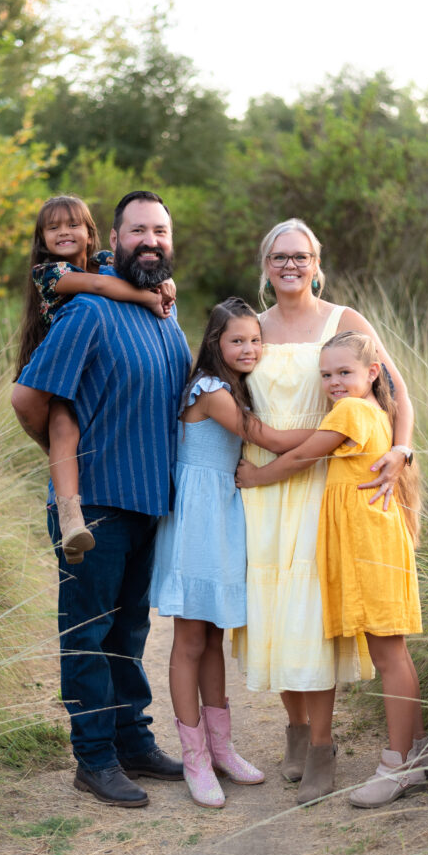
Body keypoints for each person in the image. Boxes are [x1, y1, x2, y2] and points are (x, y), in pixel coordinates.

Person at [11, 190, 192, 808]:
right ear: (112, 240)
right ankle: (94, 758)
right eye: (138, 230)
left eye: (161, 231)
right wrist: (64, 466)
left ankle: (132, 739)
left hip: (149, 501)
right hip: (95, 506)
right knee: (88, 634)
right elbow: (29, 397)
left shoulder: (166, 313)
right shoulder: (87, 308)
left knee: (131, 631)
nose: (151, 240)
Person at [230, 217, 414, 806]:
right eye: (279, 255)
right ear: (265, 264)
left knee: (309, 616)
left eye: (301, 255)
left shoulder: (345, 323)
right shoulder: (248, 328)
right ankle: (297, 730)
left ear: (316, 261)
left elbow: (398, 393)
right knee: (272, 612)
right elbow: (222, 394)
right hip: (264, 497)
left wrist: (402, 452)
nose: (290, 264)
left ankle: (324, 746)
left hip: (324, 486)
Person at [151, 297, 314, 808]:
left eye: (254, 340)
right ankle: (195, 759)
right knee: (190, 639)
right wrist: (341, 430)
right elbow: (264, 437)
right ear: (216, 344)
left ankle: (221, 748)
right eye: (236, 340)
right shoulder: (211, 389)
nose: (248, 348)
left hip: (223, 514)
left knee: (215, 634)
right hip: (198, 518)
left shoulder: (237, 387)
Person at [14, 194, 176, 564]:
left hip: (86, 373)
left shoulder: (104, 261)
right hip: (60, 371)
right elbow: (101, 289)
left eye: (72, 225)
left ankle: (72, 502)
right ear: (42, 239)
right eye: (52, 228)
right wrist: (150, 299)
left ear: (91, 233)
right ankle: (72, 518)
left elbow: (141, 270)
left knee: (68, 434)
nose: (63, 233)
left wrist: (168, 286)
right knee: (63, 429)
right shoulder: (51, 273)